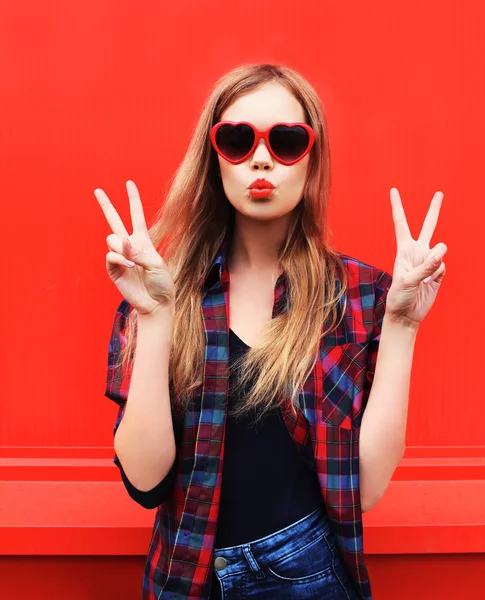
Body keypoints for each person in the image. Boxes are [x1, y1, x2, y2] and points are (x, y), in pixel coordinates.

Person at [95, 63, 447, 600]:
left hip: (306, 575)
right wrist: (156, 315)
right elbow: (144, 481)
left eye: (286, 141)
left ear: (313, 158)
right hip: (185, 579)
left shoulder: (359, 296)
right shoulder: (160, 291)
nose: (261, 157)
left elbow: (364, 490)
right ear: (213, 158)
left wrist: (401, 326)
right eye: (237, 139)